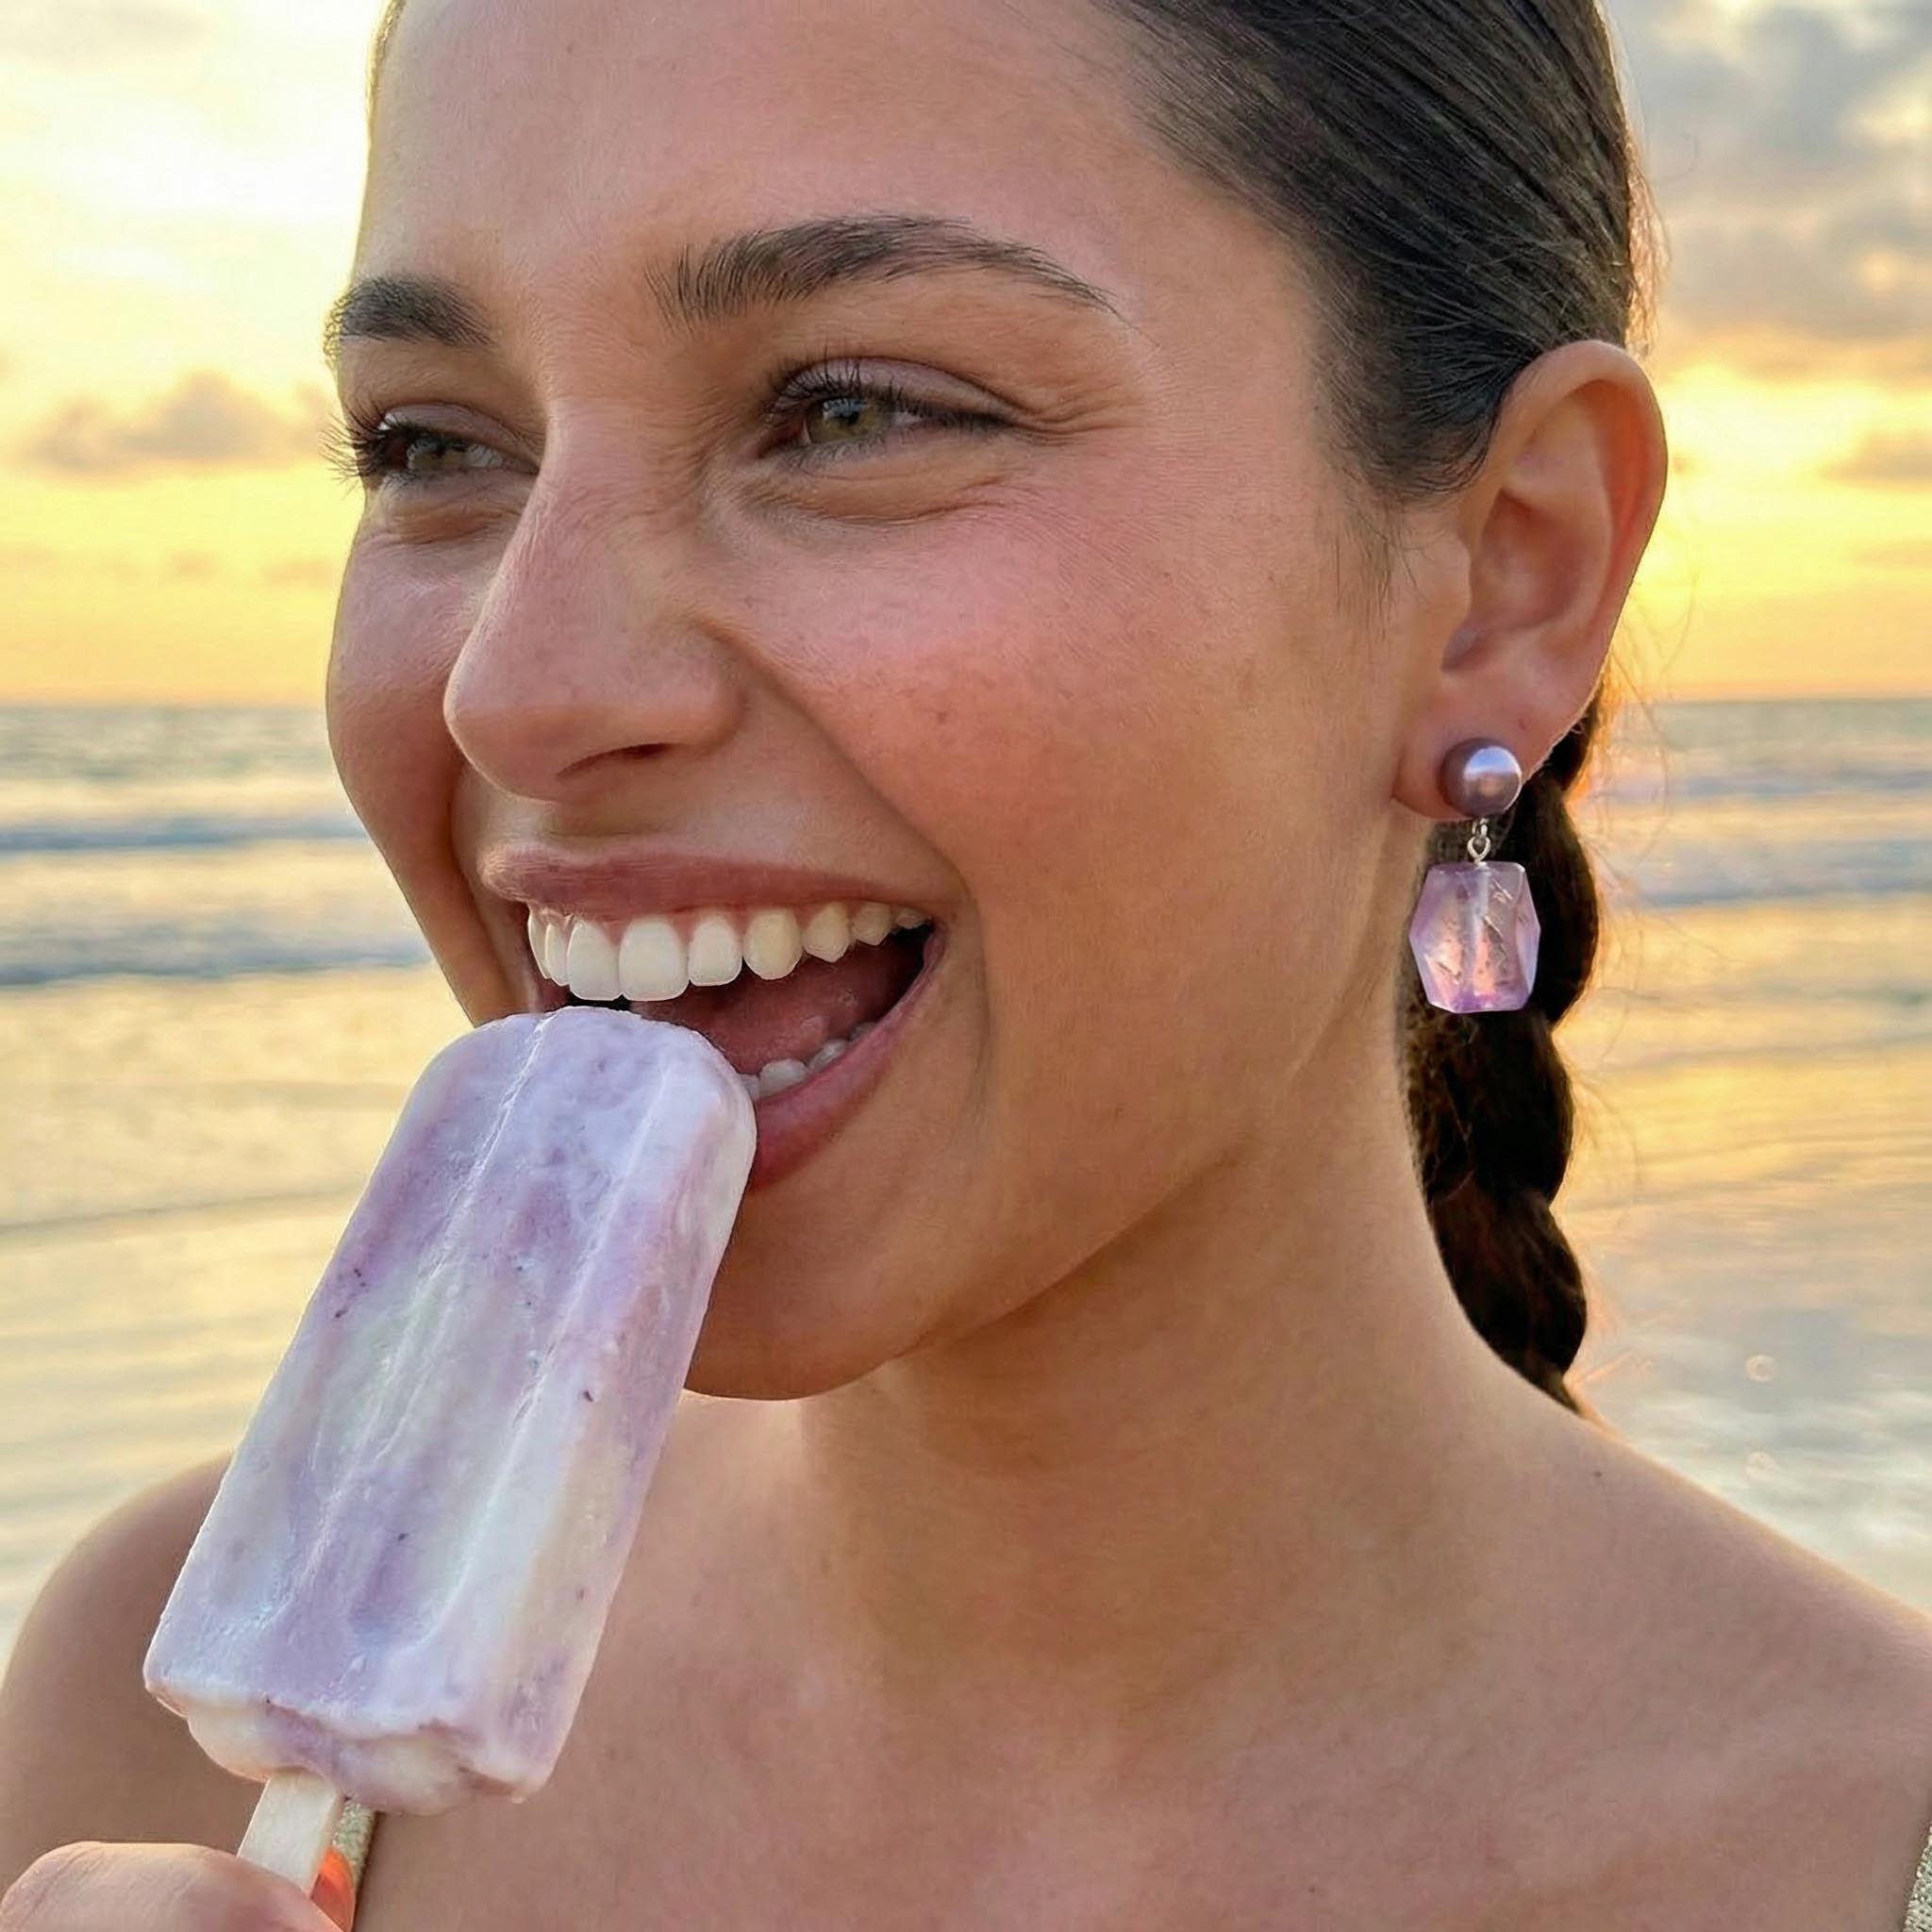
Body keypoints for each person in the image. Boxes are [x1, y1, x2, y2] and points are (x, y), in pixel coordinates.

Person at [5, 0, 1932, 1924]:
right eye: (429, 440)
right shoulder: (150, 1722)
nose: (521, 686)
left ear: (1510, 569)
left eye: (853, 408)